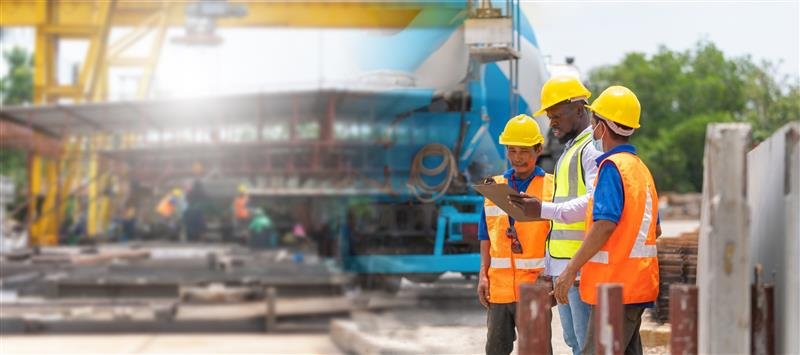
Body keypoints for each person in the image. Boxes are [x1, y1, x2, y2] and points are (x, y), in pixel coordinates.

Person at [551, 86, 661, 355]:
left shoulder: (611, 168)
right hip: (638, 286)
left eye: (594, 120)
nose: (592, 127)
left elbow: (605, 225)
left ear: (602, 126)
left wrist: (570, 269)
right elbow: (654, 229)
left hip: (615, 290)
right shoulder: (639, 169)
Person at [508, 75, 600, 354]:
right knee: (574, 342)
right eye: (550, 117)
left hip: (581, 267)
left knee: (585, 346)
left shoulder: (590, 149)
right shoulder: (571, 150)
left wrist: (543, 209)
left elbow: (594, 202)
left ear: (579, 110)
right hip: (565, 268)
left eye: (557, 116)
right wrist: (551, 268)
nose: (552, 123)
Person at [477, 114, 554, 355]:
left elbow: (560, 239)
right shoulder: (494, 187)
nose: (517, 157)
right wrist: (483, 275)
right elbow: (485, 236)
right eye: (512, 150)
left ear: (538, 149)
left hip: (534, 287)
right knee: (495, 350)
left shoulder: (551, 188)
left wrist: (554, 277)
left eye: (524, 151)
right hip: (499, 290)